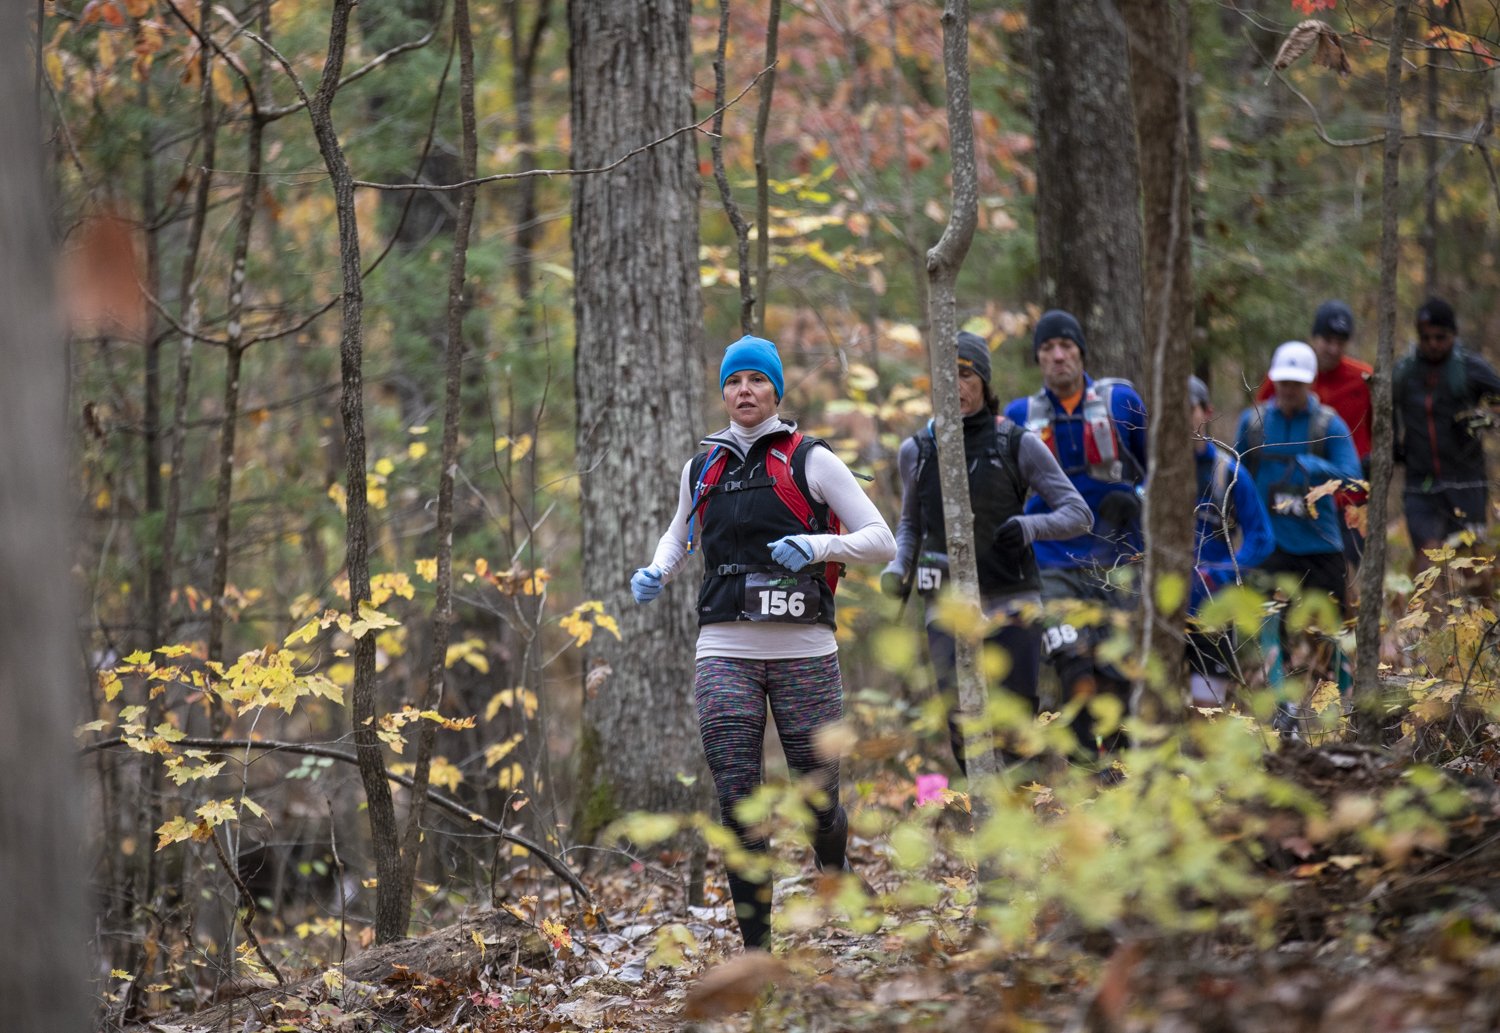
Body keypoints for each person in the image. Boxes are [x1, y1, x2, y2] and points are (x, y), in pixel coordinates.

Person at [630, 334, 895, 952]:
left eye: (756, 380)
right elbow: (679, 535)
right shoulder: (702, 467)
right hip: (723, 648)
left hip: (805, 651)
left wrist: (818, 545)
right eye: (733, 381)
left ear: (775, 390)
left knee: (818, 799)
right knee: (737, 801)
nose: (744, 391)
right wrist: (657, 570)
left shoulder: (812, 460)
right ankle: (757, 954)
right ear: (723, 392)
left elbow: (881, 539)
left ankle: (834, 863)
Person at [880, 332, 1091, 773]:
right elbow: (911, 524)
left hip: (1012, 597)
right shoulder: (917, 450)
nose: (954, 384)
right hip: (946, 603)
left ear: (983, 381)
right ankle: (980, 806)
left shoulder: (1015, 442)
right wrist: (899, 567)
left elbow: (1078, 513)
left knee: (1015, 725)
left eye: (965, 374)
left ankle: (1022, 807)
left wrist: (1030, 526)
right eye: (945, 374)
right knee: (960, 722)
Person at [1002, 310, 1149, 762]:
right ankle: (1086, 773)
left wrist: (1135, 498)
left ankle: (1122, 770)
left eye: (1066, 346)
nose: (1058, 356)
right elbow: (1005, 492)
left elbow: (1162, 472)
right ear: (1038, 359)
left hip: (1119, 561)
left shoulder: (1121, 402)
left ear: (1081, 352)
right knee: (1071, 661)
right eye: (1047, 349)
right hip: (1050, 563)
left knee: (1117, 671)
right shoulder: (1020, 416)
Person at [1234, 341, 1360, 726]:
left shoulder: (1328, 425)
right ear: (1274, 381)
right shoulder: (1253, 423)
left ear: (1309, 384)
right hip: (1269, 545)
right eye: (1284, 382)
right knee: (1270, 626)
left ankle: (1346, 705)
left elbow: (1353, 477)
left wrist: (1315, 467)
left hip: (1320, 545)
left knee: (1333, 629)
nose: (1289, 390)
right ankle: (1281, 708)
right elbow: (1234, 474)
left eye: (1297, 383)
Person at [1255, 300, 1372, 569]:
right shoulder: (1282, 379)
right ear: (1314, 338)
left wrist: (1370, 461)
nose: (1333, 348)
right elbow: (1262, 422)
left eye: (1341, 341)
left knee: (1345, 572)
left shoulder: (1364, 378)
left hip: (1348, 499)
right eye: (1327, 340)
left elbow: (1382, 427)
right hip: (1295, 500)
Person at [1393, 296, 1500, 570]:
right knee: (1427, 562)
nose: (1432, 344)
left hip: (1466, 481)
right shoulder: (1404, 372)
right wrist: (1393, 446)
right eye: (1425, 337)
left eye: (1440, 337)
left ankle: (1482, 599)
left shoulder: (1469, 367)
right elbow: (1384, 410)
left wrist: (1482, 419)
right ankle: (1436, 601)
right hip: (1421, 485)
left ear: (1453, 334)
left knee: (1472, 567)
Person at [1187, 376, 1274, 709]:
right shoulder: (1153, 470)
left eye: (1188, 409)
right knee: (1154, 711)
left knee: (1206, 710)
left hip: (1213, 610)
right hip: (1161, 608)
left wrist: (1222, 572)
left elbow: (1261, 538)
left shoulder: (1229, 472)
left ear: (1206, 412)